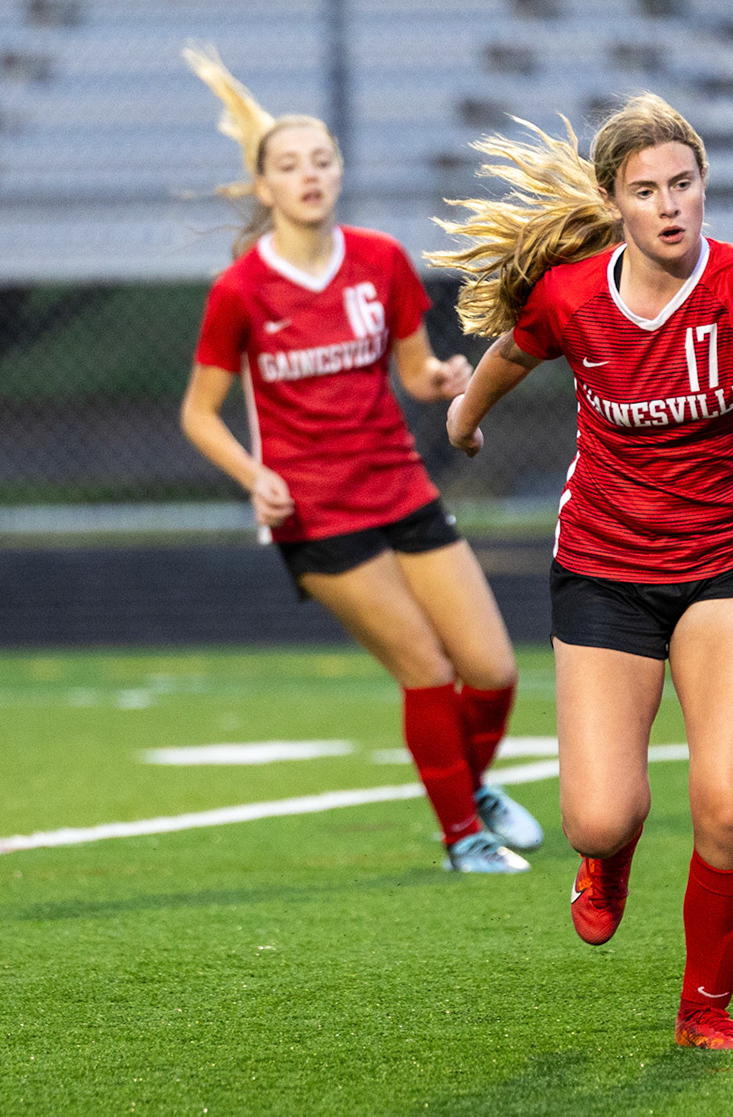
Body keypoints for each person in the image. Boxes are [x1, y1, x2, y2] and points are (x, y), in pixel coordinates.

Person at [430, 97, 733, 1050]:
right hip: (603, 565)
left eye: (684, 184)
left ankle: (704, 1010)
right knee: (598, 817)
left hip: (729, 561)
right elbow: (511, 353)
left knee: (730, 806)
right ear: (613, 202)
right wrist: (464, 419)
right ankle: (607, 858)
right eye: (646, 190)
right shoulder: (573, 296)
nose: (670, 206)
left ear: (705, 186)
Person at [176, 47, 540, 874]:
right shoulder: (240, 291)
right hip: (317, 512)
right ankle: (464, 839)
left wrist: (440, 378)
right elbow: (198, 415)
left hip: (401, 489)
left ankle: (469, 787)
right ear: (263, 186)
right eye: (289, 165)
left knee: (491, 671)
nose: (309, 175)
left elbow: (414, 372)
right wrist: (255, 477)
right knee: (428, 669)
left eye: (322, 160)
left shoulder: (380, 260)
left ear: (339, 172)